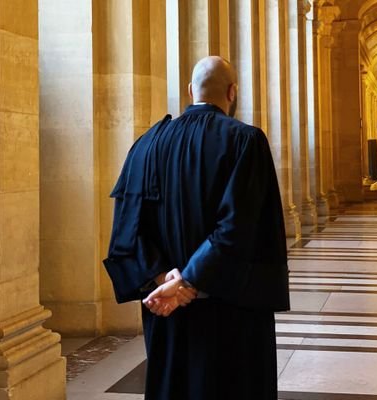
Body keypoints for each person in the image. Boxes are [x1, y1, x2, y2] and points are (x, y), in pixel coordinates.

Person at [106, 56, 290, 400]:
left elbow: (127, 230)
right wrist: (188, 281)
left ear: (190, 91)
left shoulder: (145, 145)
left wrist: (166, 281)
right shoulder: (246, 141)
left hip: (167, 309)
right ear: (233, 92)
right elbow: (237, 227)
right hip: (231, 312)